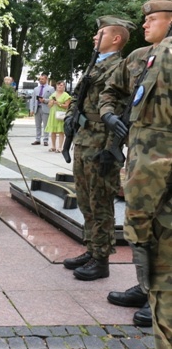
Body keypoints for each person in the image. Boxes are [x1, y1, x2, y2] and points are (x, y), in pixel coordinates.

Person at [99, 0, 172, 338]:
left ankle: (160, 297)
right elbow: (109, 90)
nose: (144, 25)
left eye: (152, 19)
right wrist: (109, 115)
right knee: (140, 229)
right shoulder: (137, 58)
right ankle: (146, 288)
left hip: (163, 163)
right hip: (141, 161)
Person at [61, 16, 135, 283]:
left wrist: (111, 148)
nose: (95, 37)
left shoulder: (122, 67)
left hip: (103, 143)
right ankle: (92, 249)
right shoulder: (94, 65)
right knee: (85, 200)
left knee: (101, 201)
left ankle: (101, 259)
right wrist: (71, 116)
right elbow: (78, 97)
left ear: (116, 38)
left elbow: (121, 109)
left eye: (100, 34)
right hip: (84, 140)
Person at [44, 81, 71, 152]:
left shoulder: (66, 95)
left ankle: (60, 147)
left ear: (64, 87)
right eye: (58, 85)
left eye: (61, 85)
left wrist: (59, 104)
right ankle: (53, 146)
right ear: (56, 86)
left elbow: (67, 106)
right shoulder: (53, 94)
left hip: (61, 114)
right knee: (53, 131)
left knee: (61, 131)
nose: (60, 87)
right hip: (53, 114)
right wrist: (51, 102)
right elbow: (49, 105)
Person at [29, 74, 54, 146]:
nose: (40, 80)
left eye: (42, 79)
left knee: (46, 125)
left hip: (46, 108)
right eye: (40, 79)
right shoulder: (36, 89)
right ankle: (37, 139)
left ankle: (45, 140)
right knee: (37, 125)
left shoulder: (51, 88)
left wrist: (44, 100)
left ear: (46, 80)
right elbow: (33, 99)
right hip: (37, 108)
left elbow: (53, 99)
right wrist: (31, 109)